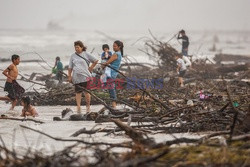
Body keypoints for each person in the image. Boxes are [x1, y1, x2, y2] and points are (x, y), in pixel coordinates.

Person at [68, 40, 98, 113]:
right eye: (75, 47)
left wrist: (91, 68)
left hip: (86, 76)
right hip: (76, 78)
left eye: (78, 47)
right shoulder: (72, 56)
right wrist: (69, 76)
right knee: (78, 92)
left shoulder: (86, 54)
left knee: (87, 92)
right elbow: (70, 67)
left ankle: (88, 106)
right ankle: (78, 107)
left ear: (81, 47)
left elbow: (95, 60)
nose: (76, 49)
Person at [102, 40, 123, 109]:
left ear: (119, 47)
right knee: (111, 87)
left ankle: (114, 105)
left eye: (115, 46)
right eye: (113, 46)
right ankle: (113, 104)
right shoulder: (119, 53)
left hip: (111, 73)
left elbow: (107, 62)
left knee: (111, 88)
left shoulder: (116, 54)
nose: (113, 47)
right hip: (114, 72)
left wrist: (103, 65)